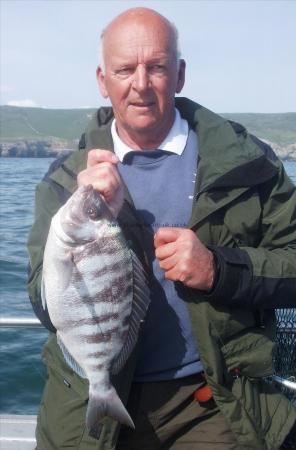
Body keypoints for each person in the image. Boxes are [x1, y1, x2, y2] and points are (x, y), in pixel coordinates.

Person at [27, 7, 296, 450]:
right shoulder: (65, 179)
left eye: (156, 67)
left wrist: (218, 270)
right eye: (124, 69)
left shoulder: (248, 163)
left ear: (180, 74)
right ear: (102, 80)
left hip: (215, 401)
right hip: (90, 403)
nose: (140, 84)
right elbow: (42, 301)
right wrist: (78, 210)